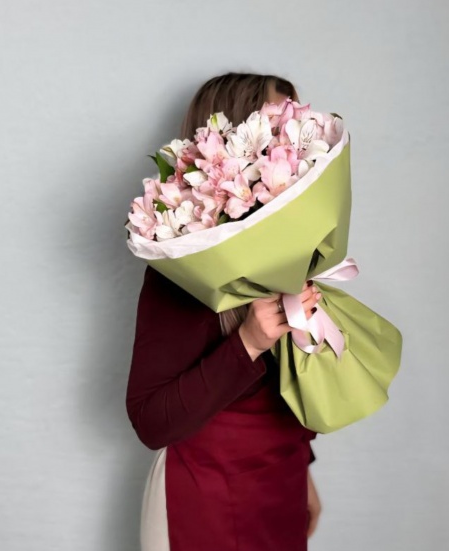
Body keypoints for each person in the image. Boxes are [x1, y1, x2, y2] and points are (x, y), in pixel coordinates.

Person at [126, 72, 323, 551]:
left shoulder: (294, 253)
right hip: (202, 496)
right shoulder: (181, 267)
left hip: (280, 485)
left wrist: (305, 471)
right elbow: (152, 422)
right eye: (277, 126)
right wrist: (249, 342)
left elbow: (287, 390)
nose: (290, 142)